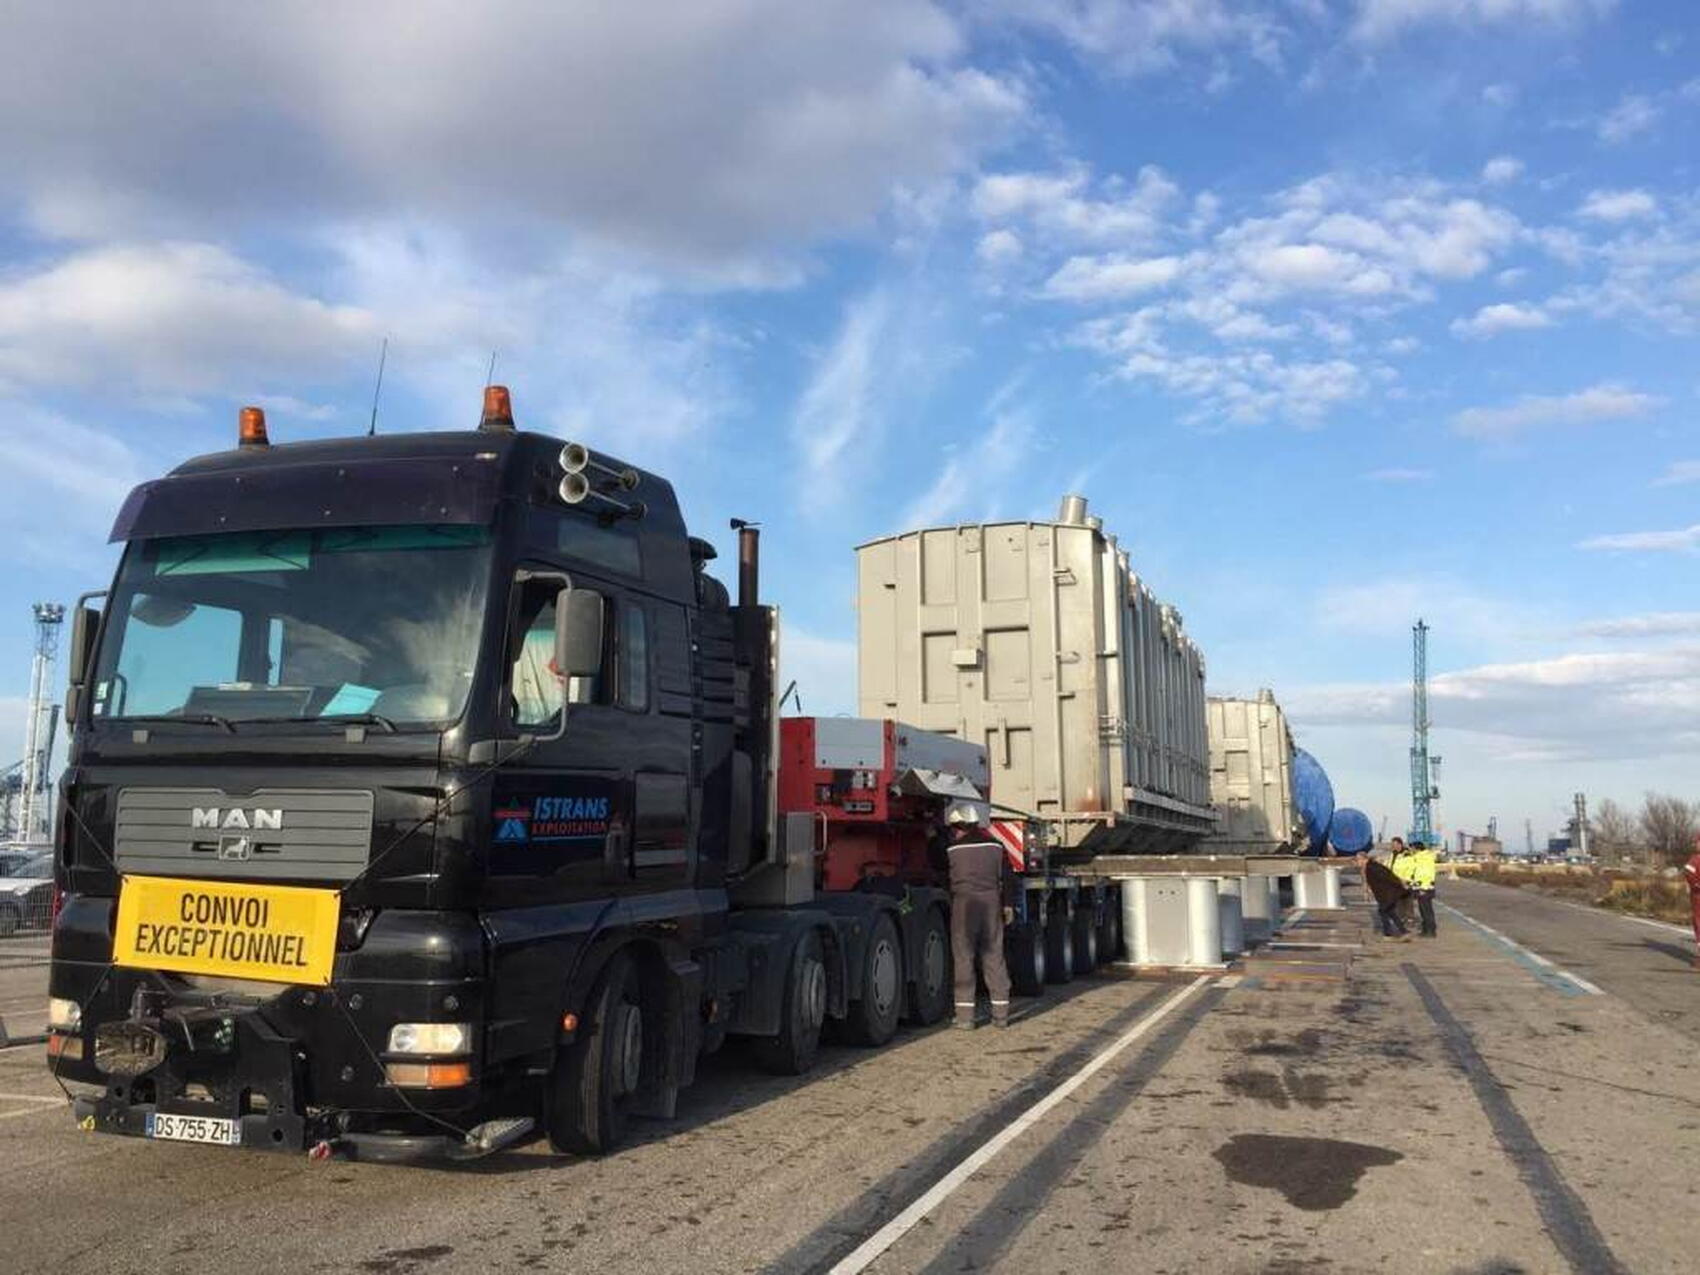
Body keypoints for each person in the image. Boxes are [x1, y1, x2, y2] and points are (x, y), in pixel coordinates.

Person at [941, 801, 1013, 1028]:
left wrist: (933, 836)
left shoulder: (952, 849)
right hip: (992, 904)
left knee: (964, 959)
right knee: (994, 958)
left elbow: (941, 874)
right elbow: (1009, 878)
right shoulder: (997, 846)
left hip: (964, 905)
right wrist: (1008, 905)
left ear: (958, 827)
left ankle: (965, 1018)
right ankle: (1001, 1016)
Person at [1358, 843, 1410, 939]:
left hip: (1387, 894)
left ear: (1363, 859)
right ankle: (1403, 931)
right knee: (1391, 913)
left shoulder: (1372, 867)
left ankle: (1388, 934)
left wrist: (1400, 885)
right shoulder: (1370, 867)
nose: (1358, 862)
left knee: (1383, 912)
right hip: (1386, 894)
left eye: (1358, 860)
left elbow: (1387, 876)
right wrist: (1368, 891)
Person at [1409, 840, 1439, 937]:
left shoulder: (1420, 858)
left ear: (1416, 848)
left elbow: (1424, 874)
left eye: (1412, 848)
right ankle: (1427, 929)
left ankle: (1429, 931)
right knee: (1425, 909)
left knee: (1425, 910)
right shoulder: (1427, 857)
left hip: (1423, 887)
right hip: (1426, 886)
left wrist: (1422, 887)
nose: (1411, 850)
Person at [1683, 834, 1700, 971]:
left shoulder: (1695, 859)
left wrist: (1695, 884)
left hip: (1698, 896)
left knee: (1699, 923)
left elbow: (1688, 873)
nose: (1696, 845)